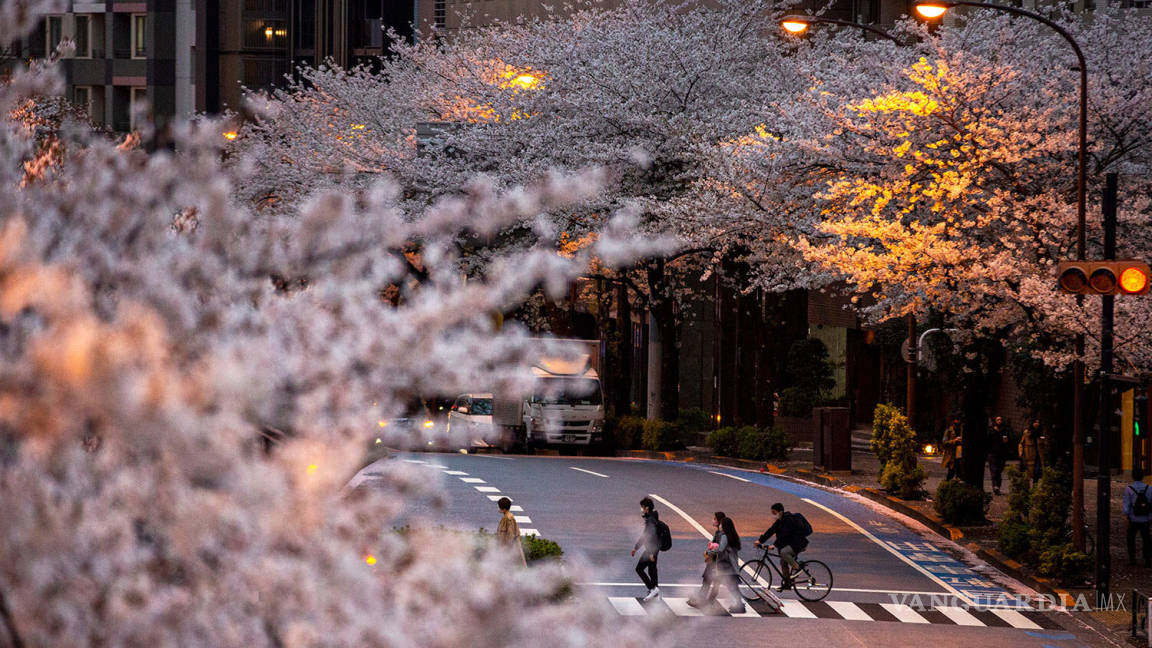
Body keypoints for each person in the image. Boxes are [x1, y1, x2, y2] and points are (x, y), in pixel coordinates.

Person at [755, 502, 807, 591]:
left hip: (798, 543)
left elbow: (784, 535)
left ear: (780, 512)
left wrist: (774, 545)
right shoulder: (779, 521)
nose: (774, 515)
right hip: (790, 544)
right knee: (783, 562)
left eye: (774, 513)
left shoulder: (788, 520)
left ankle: (797, 568)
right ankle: (787, 583)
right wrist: (760, 541)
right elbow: (771, 531)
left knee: (784, 553)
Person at [688, 512, 726, 609]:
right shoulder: (719, 533)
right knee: (709, 581)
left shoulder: (722, 535)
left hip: (717, 563)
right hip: (714, 562)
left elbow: (719, 549)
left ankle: (704, 601)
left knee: (710, 581)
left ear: (719, 521)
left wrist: (709, 553)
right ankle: (705, 601)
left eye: (715, 519)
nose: (713, 520)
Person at [632, 497, 661, 601]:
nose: (642, 509)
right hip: (653, 550)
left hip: (651, 550)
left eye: (642, 507)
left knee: (639, 569)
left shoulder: (650, 521)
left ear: (647, 508)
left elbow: (650, 537)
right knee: (652, 570)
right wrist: (636, 547)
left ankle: (653, 589)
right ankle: (655, 592)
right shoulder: (652, 517)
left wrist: (652, 553)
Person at [1123, 468, 1152, 567]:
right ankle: (1147, 559)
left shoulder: (1129, 489)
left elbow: (1126, 504)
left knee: (1131, 538)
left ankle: (1132, 558)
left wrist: (1126, 515)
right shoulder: (1149, 488)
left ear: (1133, 476)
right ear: (1143, 476)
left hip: (1133, 518)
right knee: (1146, 539)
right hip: (1145, 518)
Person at [496, 496, 526, 565]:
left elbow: (510, 534)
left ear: (503, 509)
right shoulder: (508, 517)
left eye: (499, 507)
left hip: (507, 547)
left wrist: (506, 548)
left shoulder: (507, 519)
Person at [987, 416, 1011, 495]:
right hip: (992, 453)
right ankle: (995, 486)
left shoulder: (1005, 430)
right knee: (994, 470)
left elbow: (1010, 440)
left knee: (999, 470)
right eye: (998, 420)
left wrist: (1006, 441)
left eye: (1000, 419)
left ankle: (998, 486)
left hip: (1002, 453)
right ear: (995, 421)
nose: (999, 421)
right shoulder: (991, 431)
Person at [1020, 419, 1045, 483]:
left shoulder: (1041, 432)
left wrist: (1043, 440)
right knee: (1030, 471)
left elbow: (1044, 444)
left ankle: (1035, 485)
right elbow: (1021, 443)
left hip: (1039, 454)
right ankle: (1027, 485)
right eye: (1035, 422)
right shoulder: (1027, 432)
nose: (1037, 424)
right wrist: (1021, 452)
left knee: (1037, 471)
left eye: (1038, 422)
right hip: (1030, 454)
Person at [941, 417, 963, 481]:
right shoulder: (948, 431)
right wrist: (954, 441)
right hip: (952, 454)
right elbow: (944, 442)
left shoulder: (963, 430)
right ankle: (948, 486)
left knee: (960, 472)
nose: (957, 421)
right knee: (951, 471)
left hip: (961, 454)